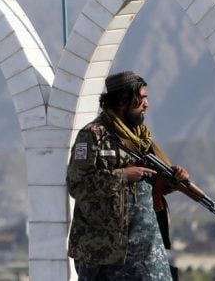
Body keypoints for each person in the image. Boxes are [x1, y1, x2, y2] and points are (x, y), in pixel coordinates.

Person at [67, 71, 189, 280]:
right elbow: (78, 185)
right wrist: (122, 175)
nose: (147, 104)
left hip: (146, 246)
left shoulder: (141, 137)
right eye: (141, 98)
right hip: (104, 253)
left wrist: (172, 179)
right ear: (123, 101)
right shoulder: (93, 135)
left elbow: (151, 187)